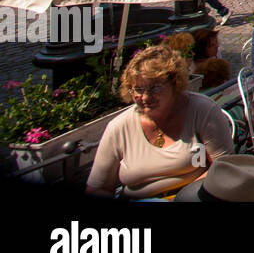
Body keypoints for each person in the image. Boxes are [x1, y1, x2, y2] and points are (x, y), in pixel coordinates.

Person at [86, 46, 234, 199]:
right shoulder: (119, 126)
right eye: (138, 89)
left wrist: (186, 196)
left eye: (154, 88)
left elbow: (225, 167)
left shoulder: (202, 110)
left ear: (175, 83)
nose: (145, 97)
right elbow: (97, 188)